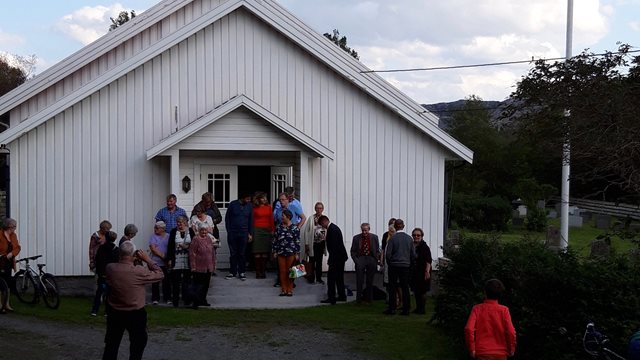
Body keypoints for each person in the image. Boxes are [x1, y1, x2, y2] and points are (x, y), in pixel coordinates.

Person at [102, 241, 164, 360]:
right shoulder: (138, 271)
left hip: (115, 311)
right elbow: (160, 274)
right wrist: (147, 259)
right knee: (137, 346)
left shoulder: (110, 268)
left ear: (119, 253)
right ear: (134, 254)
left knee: (111, 345)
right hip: (135, 313)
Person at [464, 279, 517, 360]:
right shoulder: (504, 310)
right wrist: (511, 348)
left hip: (482, 353)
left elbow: (469, 329)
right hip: (500, 354)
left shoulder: (477, 309)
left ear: (485, 293)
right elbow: (511, 331)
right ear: (500, 294)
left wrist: (472, 349)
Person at [273, 191, 306, 287]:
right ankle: (281, 281)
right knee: (281, 262)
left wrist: (298, 227)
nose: (281, 202)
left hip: (292, 235)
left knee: (293, 263)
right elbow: (276, 222)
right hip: (282, 236)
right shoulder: (278, 210)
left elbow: (303, 218)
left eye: (283, 200)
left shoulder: (293, 207)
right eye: (280, 200)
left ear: (288, 200)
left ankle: (292, 282)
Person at [384, 218, 415, 315]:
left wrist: (390, 263)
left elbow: (388, 254)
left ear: (395, 227)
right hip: (405, 265)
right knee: (405, 287)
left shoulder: (392, 238)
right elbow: (412, 254)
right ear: (403, 226)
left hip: (394, 265)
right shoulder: (409, 238)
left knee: (392, 287)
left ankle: (392, 308)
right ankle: (406, 309)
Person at [166, 216, 195, 307]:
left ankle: (187, 300)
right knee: (175, 281)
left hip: (188, 259)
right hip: (176, 259)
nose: (179, 224)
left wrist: (187, 247)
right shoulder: (173, 231)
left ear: (186, 222)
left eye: (181, 222)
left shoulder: (190, 231)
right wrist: (169, 259)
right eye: (178, 222)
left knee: (187, 281)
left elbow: (194, 245)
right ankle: (175, 302)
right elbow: (170, 246)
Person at [319, 215, 348, 305]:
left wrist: (330, 260)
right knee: (339, 278)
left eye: (321, 224)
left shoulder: (332, 230)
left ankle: (331, 297)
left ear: (324, 222)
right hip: (340, 257)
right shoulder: (334, 228)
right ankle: (342, 295)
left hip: (336, 258)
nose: (322, 227)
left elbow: (334, 247)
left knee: (331, 278)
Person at [224, 193, 253, 281]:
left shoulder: (249, 206)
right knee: (233, 253)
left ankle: (242, 272)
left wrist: (250, 233)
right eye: (247, 199)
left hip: (244, 233)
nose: (249, 201)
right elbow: (227, 218)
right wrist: (229, 231)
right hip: (233, 232)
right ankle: (232, 272)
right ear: (242, 198)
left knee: (242, 253)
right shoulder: (233, 204)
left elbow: (251, 220)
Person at [272, 209, 300, 296]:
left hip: (291, 253)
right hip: (281, 253)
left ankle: (290, 289)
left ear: (288, 217)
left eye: (283, 216)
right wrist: (275, 251)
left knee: (291, 272)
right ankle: (283, 289)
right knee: (282, 272)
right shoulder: (279, 227)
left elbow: (297, 241)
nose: (281, 217)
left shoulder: (295, 228)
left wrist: (297, 253)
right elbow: (275, 240)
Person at [350, 223, 380, 304]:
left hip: (371, 258)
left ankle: (369, 299)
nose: (364, 232)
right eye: (363, 230)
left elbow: (377, 250)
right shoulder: (356, 238)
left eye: (366, 230)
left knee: (370, 280)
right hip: (361, 258)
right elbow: (352, 251)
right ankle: (359, 299)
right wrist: (356, 260)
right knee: (359, 280)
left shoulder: (374, 237)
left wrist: (376, 260)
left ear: (369, 229)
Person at [91, 231, 119, 316]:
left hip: (102, 273)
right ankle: (107, 311)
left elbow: (98, 260)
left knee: (99, 292)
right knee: (109, 293)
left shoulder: (101, 248)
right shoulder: (116, 249)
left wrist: (99, 271)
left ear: (106, 238)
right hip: (111, 274)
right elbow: (117, 262)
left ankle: (94, 310)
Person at [189, 223, 215, 308]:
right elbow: (192, 253)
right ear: (199, 230)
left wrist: (213, 264)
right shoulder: (196, 239)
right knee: (198, 286)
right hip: (199, 266)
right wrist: (193, 266)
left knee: (206, 285)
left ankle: (203, 300)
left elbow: (212, 252)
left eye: (205, 230)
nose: (204, 232)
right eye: (202, 230)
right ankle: (195, 302)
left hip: (208, 266)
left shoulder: (209, 238)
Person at [300, 202, 326, 284]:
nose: (319, 210)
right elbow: (307, 231)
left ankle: (319, 278)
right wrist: (307, 243)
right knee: (311, 261)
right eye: (317, 208)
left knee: (319, 262)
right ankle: (311, 278)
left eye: (320, 208)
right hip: (312, 243)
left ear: (322, 209)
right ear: (315, 209)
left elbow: (326, 229)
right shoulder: (311, 218)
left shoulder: (324, 218)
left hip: (321, 243)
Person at [0, 218, 21, 313]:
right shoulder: (0, 234)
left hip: (8, 262)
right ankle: (0, 305)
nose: (15, 228)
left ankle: (6, 304)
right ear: (8, 226)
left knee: (7, 283)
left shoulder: (13, 235)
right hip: (0, 261)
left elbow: (17, 247)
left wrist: (12, 254)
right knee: (0, 283)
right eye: (14, 226)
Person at [190, 205, 218, 275]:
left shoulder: (209, 218)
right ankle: (199, 269)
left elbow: (211, 230)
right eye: (196, 212)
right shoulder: (193, 218)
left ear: (203, 211)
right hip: (198, 237)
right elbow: (193, 230)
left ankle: (211, 268)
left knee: (210, 253)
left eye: (199, 212)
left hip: (208, 236)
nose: (197, 213)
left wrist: (204, 230)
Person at [409, 228, 432, 314]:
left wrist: (427, 272)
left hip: (423, 271)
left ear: (422, 236)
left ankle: (422, 309)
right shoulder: (412, 246)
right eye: (414, 235)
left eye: (418, 235)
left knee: (422, 290)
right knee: (416, 290)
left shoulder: (424, 247)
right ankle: (418, 308)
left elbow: (428, 260)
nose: (416, 237)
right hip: (415, 271)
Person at [252, 192, 274, 279]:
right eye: (262, 198)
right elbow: (251, 220)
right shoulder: (254, 208)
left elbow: (271, 219)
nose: (264, 199)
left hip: (267, 230)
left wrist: (273, 230)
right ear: (258, 199)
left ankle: (263, 271)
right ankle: (258, 272)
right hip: (257, 230)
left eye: (265, 198)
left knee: (265, 251)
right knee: (257, 251)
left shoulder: (269, 207)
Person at [149, 221, 171, 305]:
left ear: (162, 229)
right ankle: (155, 298)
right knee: (155, 281)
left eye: (157, 228)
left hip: (165, 263)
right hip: (156, 262)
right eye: (155, 227)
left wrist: (167, 259)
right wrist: (163, 257)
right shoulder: (153, 237)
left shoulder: (168, 236)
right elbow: (153, 249)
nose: (155, 229)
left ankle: (168, 298)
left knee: (166, 281)